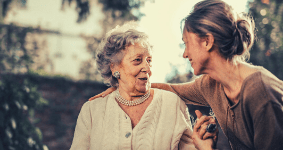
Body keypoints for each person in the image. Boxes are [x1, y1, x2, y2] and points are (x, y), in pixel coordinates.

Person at [89, 0, 283, 150]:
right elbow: (171, 89)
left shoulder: (262, 92)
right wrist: (122, 86)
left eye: (186, 43)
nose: (185, 53)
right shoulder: (211, 84)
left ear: (207, 41)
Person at [70, 22, 217, 150]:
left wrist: (204, 145)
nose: (147, 68)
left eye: (149, 60)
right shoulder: (91, 111)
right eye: (137, 60)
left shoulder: (172, 104)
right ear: (114, 68)